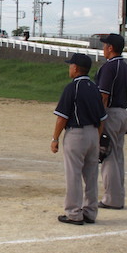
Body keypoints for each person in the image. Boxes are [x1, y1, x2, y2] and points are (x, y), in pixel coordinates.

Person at [51, 53, 107, 225]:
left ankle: (74, 213)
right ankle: (90, 211)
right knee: (91, 175)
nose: (70, 68)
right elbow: (102, 119)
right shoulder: (94, 87)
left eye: (71, 65)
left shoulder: (72, 87)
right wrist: (96, 139)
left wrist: (55, 138)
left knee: (73, 174)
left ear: (75, 68)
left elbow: (62, 117)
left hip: (76, 134)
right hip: (92, 134)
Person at [95, 34, 127, 210]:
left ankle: (111, 198)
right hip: (122, 113)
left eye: (105, 46)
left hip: (110, 114)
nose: (103, 49)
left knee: (107, 155)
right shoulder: (124, 66)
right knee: (117, 156)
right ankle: (118, 196)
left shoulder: (109, 67)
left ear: (110, 48)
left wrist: (99, 120)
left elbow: (104, 96)